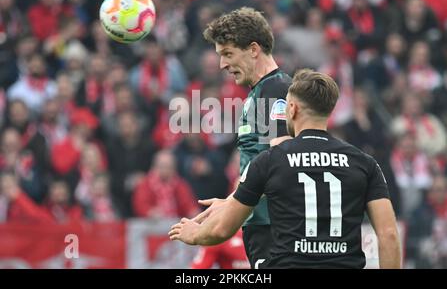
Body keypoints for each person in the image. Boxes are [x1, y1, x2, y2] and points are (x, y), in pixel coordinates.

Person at [169, 69, 401, 269]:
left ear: (292, 108)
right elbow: (389, 235)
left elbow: (221, 230)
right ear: (329, 111)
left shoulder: (268, 161)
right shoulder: (365, 163)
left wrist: (194, 233)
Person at [199, 7, 292, 268]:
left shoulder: (275, 89)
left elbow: (280, 162)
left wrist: (232, 203)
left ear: (253, 49)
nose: (222, 64)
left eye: (227, 54)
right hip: (261, 223)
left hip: (275, 227)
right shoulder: (260, 91)